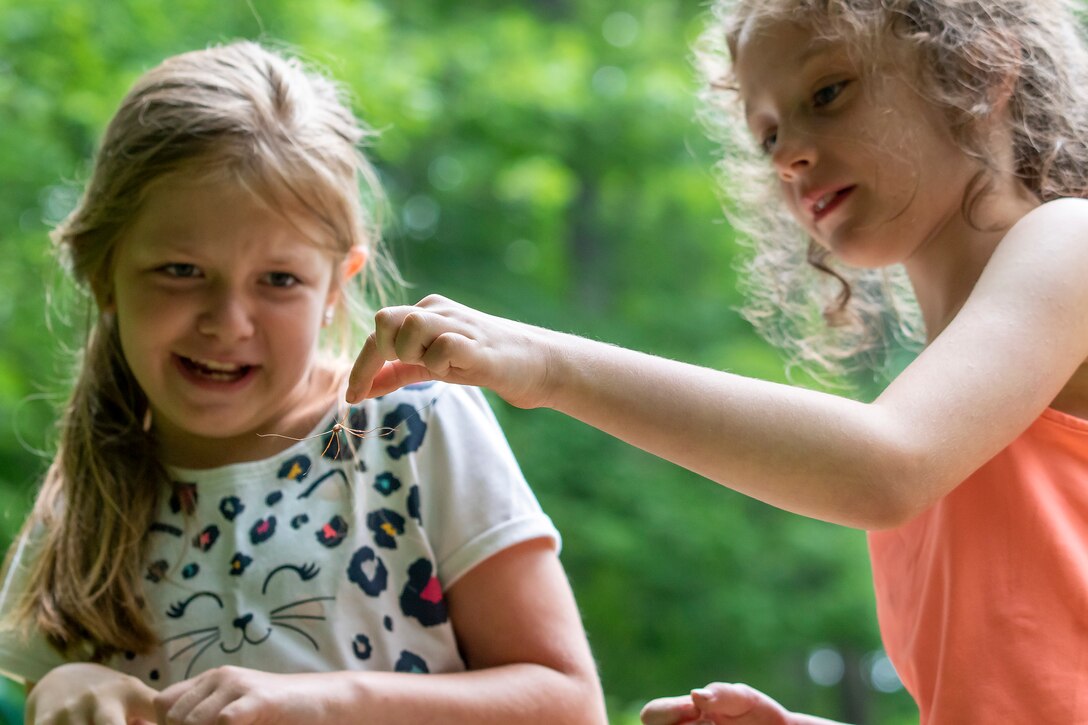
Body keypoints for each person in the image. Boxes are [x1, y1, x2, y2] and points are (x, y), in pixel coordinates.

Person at [344, 1, 1088, 723]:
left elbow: (886, 464)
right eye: (766, 136)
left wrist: (544, 363)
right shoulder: (943, 399)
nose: (790, 153)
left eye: (827, 92)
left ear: (981, 63)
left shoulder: (1071, 240)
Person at [0, 41, 607, 724]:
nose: (227, 322)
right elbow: (45, 696)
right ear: (101, 270)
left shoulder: (411, 428)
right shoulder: (85, 495)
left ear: (333, 287)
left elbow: (569, 704)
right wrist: (62, 688)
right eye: (179, 269)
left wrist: (327, 702)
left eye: (279, 280)